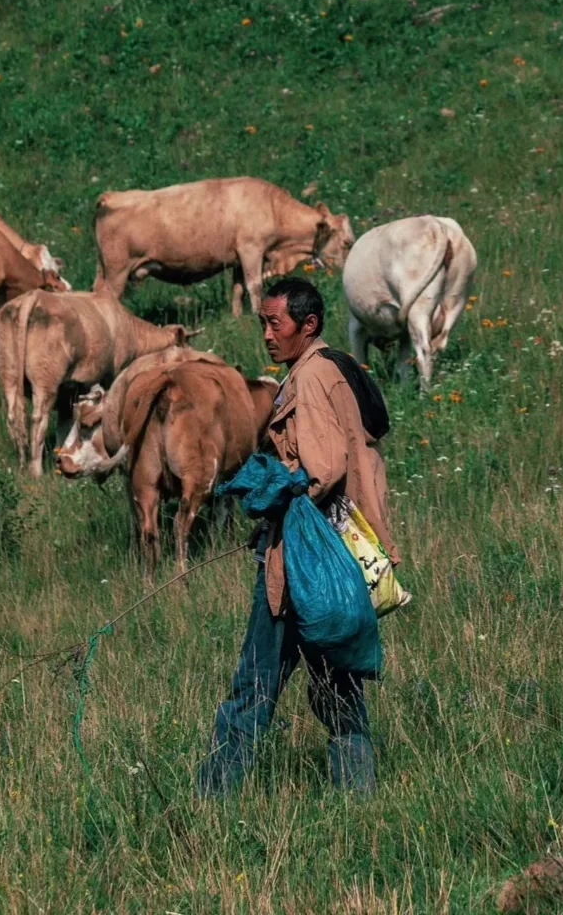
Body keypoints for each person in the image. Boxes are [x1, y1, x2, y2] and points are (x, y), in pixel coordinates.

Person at [196, 276, 399, 797]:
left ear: (307, 325)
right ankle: (360, 802)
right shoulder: (337, 367)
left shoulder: (309, 378)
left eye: (275, 322)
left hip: (304, 559)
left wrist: (270, 495)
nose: (266, 333)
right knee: (339, 688)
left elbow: (323, 467)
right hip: (339, 556)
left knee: (254, 685)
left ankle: (209, 801)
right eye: (262, 322)